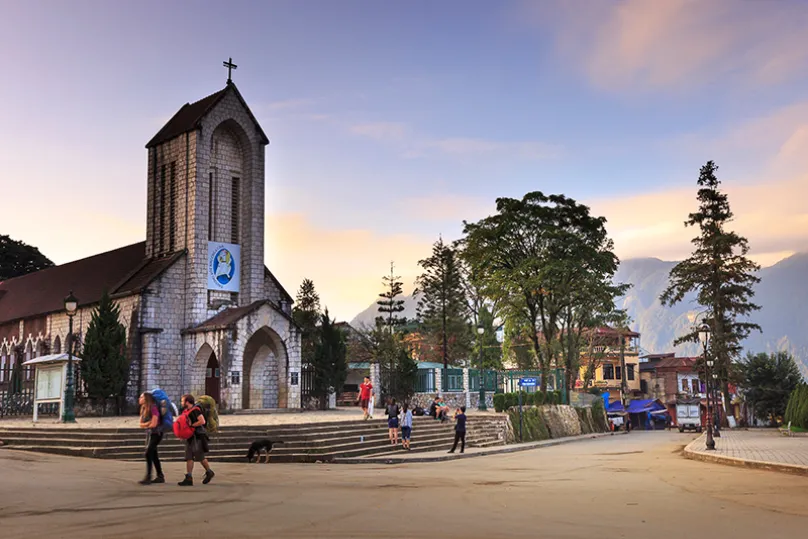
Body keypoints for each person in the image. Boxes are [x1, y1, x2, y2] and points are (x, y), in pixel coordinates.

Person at [177, 394, 215, 487]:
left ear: (187, 402)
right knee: (189, 456)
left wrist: (192, 425)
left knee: (200, 456)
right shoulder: (188, 411)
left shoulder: (195, 410)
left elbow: (202, 421)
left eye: (182, 401)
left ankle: (209, 472)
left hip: (197, 436)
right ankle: (189, 478)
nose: (181, 403)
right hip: (191, 436)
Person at [138, 392, 164, 485]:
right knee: (153, 454)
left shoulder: (153, 408)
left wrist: (148, 424)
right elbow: (141, 424)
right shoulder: (143, 408)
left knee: (148, 453)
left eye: (141, 397)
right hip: (150, 433)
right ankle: (160, 476)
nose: (139, 398)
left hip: (157, 434)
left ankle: (148, 476)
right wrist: (148, 424)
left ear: (146, 399)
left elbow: (154, 424)